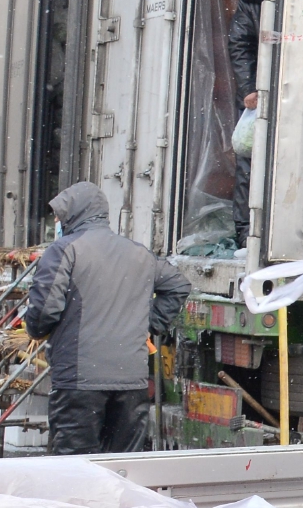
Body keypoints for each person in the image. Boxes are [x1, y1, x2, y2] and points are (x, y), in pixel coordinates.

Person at [23, 181, 192, 454]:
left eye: (60, 217)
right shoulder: (139, 253)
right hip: (131, 380)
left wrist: (34, 329)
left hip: (80, 380)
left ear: (74, 214)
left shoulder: (65, 250)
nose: (57, 222)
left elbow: (44, 311)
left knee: (74, 466)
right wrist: (148, 325)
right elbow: (178, 285)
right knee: (122, 467)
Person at [226, 0, 262, 247]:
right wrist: (249, 87)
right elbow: (240, 43)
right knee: (249, 158)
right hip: (262, 94)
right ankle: (245, 232)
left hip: (294, 92)